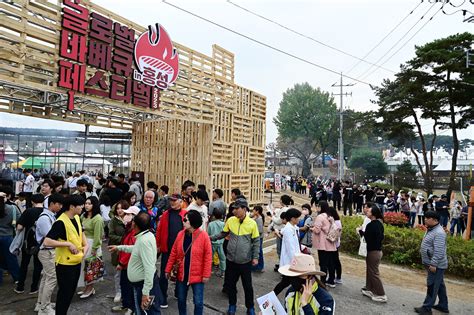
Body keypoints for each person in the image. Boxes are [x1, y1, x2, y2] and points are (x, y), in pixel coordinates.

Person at [210, 197, 259, 315]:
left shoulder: (252, 223)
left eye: (236, 209)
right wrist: (210, 238)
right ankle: (232, 305)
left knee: (248, 286)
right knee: (231, 285)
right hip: (231, 260)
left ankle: (250, 307)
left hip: (245, 262)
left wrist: (255, 257)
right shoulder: (231, 220)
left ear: (244, 209)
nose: (234, 211)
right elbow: (223, 233)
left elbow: (256, 242)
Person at [43, 194, 88, 315]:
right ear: (72, 207)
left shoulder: (77, 217)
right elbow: (47, 241)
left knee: (70, 292)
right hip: (65, 264)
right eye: (80, 206)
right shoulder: (61, 222)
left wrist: (86, 245)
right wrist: (67, 244)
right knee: (64, 293)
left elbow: (81, 232)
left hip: (77, 261)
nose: (83, 208)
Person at [109, 212, 162, 315]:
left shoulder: (144, 241)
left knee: (148, 312)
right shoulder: (146, 235)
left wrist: (145, 293)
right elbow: (137, 249)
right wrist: (119, 248)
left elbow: (149, 268)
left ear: (135, 225)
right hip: (140, 285)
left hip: (144, 286)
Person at [165, 210, 212, 315]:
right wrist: (168, 269)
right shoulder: (180, 234)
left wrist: (206, 274)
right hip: (182, 274)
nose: (183, 221)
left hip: (198, 276)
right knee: (181, 300)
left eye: (185, 220)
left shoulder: (204, 236)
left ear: (193, 222)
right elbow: (173, 253)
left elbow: (208, 257)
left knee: (198, 302)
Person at [155, 193, 187, 308]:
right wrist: (158, 245)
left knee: (180, 273)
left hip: (181, 251)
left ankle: (179, 292)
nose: (172, 202)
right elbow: (159, 231)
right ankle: (163, 297)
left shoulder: (185, 214)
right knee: (164, 274)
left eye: (174, 200)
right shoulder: (165, 215)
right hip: (167, 250)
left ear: (180, 201)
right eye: (171, 200)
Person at [414, 211, 449, 315]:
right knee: (440, 285)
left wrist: (433, 264)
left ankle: (427, 308)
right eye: (425, 217)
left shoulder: (439, 233)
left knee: (432, 285)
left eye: (427, 218)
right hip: (432, 263)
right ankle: (443, 305)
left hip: (435, 265)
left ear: (435, 220)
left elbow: (439, 250)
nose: (425, 219)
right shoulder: (431, 229)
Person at [35, 193, 64, 314]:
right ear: (52, 204)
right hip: (47, 252)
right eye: (59, 204)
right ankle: (44, 308)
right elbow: (49, 239)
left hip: (48, 252)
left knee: (47, 278)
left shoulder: (50, 216)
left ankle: (41, 303)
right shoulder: (45, 218)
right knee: (52, 279)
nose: (61, 207)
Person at [14, 193, 45, 294]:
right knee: (38, 265)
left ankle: (20, 287)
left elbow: (19, 227)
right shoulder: (46, 212)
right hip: (40, 243)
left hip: (28, 242)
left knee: (24, 264)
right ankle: (34, 288)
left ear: (32, 201)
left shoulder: (28, 211)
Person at [112, 206, 139, 314]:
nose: (125, 216)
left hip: (129, 265)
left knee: (129, 287)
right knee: (124, 285)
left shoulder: (134, 232)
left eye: (129, 214)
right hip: (125, 263)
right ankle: (125, 305)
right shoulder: (128, 228)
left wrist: (121, 263)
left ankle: (131, 308)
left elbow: (131, 249)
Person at [358, 205, 387, 303]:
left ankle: (381, 294)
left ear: (373, 214)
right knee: (370, 271)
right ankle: (369, 289)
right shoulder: (379, 223)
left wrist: (360, 232)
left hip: (373, 251)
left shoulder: (372, 224)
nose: (367, 212)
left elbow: (368, 238)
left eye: (369, 211)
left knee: (374, 273)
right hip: (376, 251)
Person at [77, 196, 104, 298]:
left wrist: (94, 249)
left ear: (94, 205)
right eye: (86, 203)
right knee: (84, 267)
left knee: (91, 268)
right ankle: (86, 288)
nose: (87, 205)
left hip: (92, 244)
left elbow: (98, 236)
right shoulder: (83, 216)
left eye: (89, 203)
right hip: (83, 243)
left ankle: (89, 289)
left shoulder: (97, 218)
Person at [108, 200, 131, 303]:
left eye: (121, 208)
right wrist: (123, 239)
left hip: (129, 249)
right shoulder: (113, 220)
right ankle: (118, 292)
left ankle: (127, 292)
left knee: (128, 272)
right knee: (117, 273)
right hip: (117, 249)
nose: (119, 210)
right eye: (117, 208)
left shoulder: (130, 219)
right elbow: (111, 234)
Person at [311, 201, 337, 287]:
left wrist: (312, 228)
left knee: (323, 264)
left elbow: (317, 230)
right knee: (330, 263)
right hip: (330, 242)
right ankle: (331, 280)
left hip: (322, 243)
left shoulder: (320, 217)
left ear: (321, 207)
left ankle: (322, 282)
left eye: (317, 206)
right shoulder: (329, 216)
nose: (316, 208)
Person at [0, 191, 21, 285]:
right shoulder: (12, 208)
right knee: (11, 258)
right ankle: (17, 278)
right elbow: (19, 220)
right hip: (8, 236)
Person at [270, 194, 293, 272]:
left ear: (282, 201)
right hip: (282, 231)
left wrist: (272, 216)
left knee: (280, 249)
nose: (279, 200)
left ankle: (282, 266)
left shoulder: (284, 210)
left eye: (280, 199)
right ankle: (282, 264)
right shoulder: (286, 208)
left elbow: (278, 221)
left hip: (281, 232)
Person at [207, 210, 226, 277]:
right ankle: (222, 272)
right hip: (220, 243)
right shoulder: (223, 223)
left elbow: (208, 234)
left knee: (209, 258)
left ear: (214, 216)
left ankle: (208, 272)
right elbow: (224, 233)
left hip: (212, 243)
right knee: (222, 258)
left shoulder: (210, 224)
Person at [327, 207, 343, 284]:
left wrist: (332, 223)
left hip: (334, 244)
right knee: (336, 261)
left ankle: (333, 278)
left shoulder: (335, 222)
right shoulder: (337, 221)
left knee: (333, 261)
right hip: (336, 244)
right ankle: (338, 277)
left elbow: (336, 233)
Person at [250, 205, 264, 272]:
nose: (253, 211)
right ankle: (257, 266)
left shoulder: (259, 219)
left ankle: (259, 267)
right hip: (257, 237)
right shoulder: (256, 217)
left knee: (259, 252)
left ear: (257, 211)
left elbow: (260, 230)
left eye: (254, 210)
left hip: (259, 238)